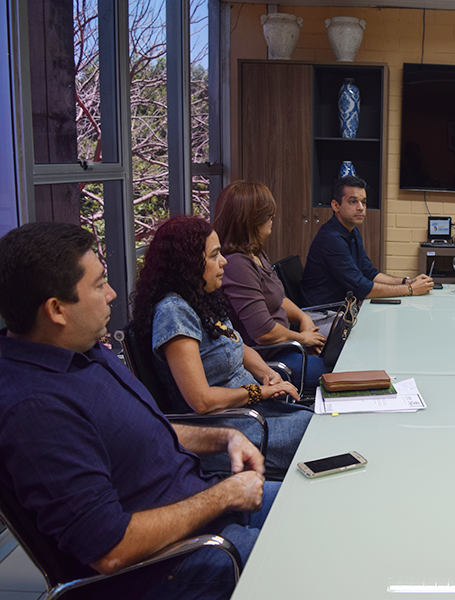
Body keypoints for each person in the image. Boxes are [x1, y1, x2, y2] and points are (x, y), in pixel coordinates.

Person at [0, 222, 275, 600]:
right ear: (57, 310)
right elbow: (111, 550)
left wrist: (224, 436)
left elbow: (149, 430)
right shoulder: (35, 408)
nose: (112, 294)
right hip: (174, 565)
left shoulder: (83, 350)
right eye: (98, 285)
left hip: (205, 511)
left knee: (320, 507)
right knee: (318, 557)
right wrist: (225, 495)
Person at [131, 215, 312, 474]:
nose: (224, 261)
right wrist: (258, 392)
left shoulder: (201, 298)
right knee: (314, 433)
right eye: (215, 255)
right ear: (189, 264)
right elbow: (202, 401)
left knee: (314, 423)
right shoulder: (174, 312)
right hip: (224, 429)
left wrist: (267, 374)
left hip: (249, 412)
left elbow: (238, 345)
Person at [212, 180, 327, 391]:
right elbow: (263, 332)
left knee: (337, 352)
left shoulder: (255, 253)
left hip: (284, 347)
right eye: (267, 214)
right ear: (249, 220)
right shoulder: (237, 264)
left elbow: (279, 298)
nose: (273, 218)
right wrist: (302, 338)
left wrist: (303, 318)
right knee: (332, 370)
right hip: (271, 359)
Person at [302, 175, 434, 305]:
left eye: (363, 202)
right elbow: (361, 288)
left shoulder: (352, 231)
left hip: (342, 310)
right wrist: (410, 290)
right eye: (353, 201)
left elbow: (369, 273)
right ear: (336, 205)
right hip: (322, 315)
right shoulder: (331, 239)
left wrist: (406, 282)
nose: (360, 207)